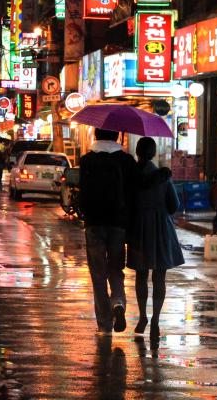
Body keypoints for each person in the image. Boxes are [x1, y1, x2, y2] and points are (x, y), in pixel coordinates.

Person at [78, 128, 138, 334]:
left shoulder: (87, 160)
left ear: (95, 135)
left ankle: (104, 324)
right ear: (117, 137)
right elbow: (133, 192)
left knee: (98, 274)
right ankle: (118, 303)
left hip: (94, 223)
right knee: (116, 269)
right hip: (118, 224)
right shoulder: (126, 160)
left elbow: (82, 191)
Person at [128, 137, 185, 342]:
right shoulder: (163, 176)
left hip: (139, 228)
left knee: (141, 275)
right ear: (153, 153)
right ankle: (155, 320)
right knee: (159, 276)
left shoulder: (131, 175)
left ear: (137, 152)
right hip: (161, 227)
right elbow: (174, 204)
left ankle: (142, 316)